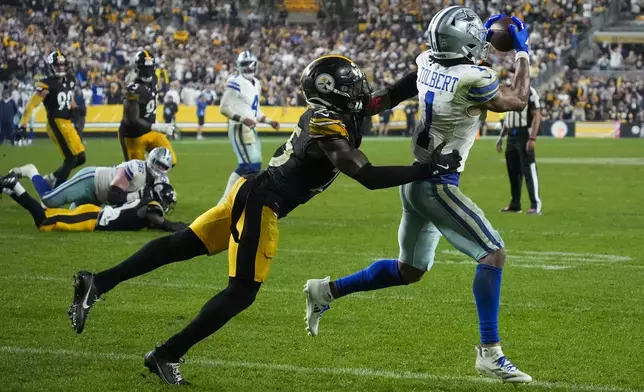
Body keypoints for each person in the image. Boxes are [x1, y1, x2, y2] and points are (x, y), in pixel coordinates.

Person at [67, 55, 462, 385]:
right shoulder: (328, 126)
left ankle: (97, 282)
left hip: (249, 190)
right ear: (335, 92)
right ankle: (165, 354)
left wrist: (436, 65)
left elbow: (394, 92)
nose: (363, 87)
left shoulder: (341, 110)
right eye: (354, 82)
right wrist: (425, 169)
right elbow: (370, 177)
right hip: (262, 202)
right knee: (240, 292)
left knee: (179, 245)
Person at [304, 9, 533, 384]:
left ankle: (325, 291)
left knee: (409, 270)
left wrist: (370, 106)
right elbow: (518, 99)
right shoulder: (473, 78)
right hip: (437, 183)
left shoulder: (427, 60)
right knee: (493, 253)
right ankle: (490, 354)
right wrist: (522, 50)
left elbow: (396, 92)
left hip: (415, 182)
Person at [0, 174, 185, 233]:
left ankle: (11, 190)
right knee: (45, 222)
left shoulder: (146, 202)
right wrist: (186, 228)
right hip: (92, 217)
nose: (167, 206)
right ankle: (15, 185)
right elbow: (161, 222)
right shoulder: (151, 205)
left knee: (47, 215)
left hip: (94, 214)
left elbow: (155, 224)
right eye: (167, 201)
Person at [10, 147, 172, 208]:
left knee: (72, 219)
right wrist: (137, 195)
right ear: (150, 160)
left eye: (164, 167)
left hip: (98, 199)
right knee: (48, 200)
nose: (160, 170)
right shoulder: (136, 168)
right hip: (91, 182)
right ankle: (31, 171)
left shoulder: (160, 182)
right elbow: (113, 194)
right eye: (158, 164)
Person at [217, 51, 280, 204]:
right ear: (239, 66)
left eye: (251, 64)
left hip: (250, 128)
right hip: (239, 127)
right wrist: (242, 119)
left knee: (256, 166)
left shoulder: (256, 83)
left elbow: (255, 111)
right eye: (245, 64)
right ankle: (225, 202)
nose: (249, 67)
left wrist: (269, 121)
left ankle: (244, 199)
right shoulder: (235, 81)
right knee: (246, 165)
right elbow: (224, 108)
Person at [17, 51, 85, 188]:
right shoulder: (46, 84)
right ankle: (58, 192)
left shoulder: (69, 80)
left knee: (81, 158)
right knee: (71, 159)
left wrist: (76, 108)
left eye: (62, 65)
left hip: (67, 123)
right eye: (57, 65)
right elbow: (32, 103)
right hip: (56, 122)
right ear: (51, 66)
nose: (60, 68)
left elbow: (68, 98)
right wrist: (23, 124)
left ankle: (52, 178)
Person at [118, 50, 177, 166]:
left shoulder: (154, 79)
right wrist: (156, 126)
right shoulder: (133, 88)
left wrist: (154, 121)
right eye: (146, 68)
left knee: (170, 160)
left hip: (151, 130)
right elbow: (131, 120)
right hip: (134, 135)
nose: (149, 71)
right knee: (135, 175)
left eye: (150, 67)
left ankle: (153, 176)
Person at [496, 87, 542, 214]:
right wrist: (501, 136)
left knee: (529, 169)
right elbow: (507, 117)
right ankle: (515, 204)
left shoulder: (530, 91)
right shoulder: (509, 90)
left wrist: (532, 137)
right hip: (511, 134)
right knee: (513, 171)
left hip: (524, 134)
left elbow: (537, 115)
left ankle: (535, 204)